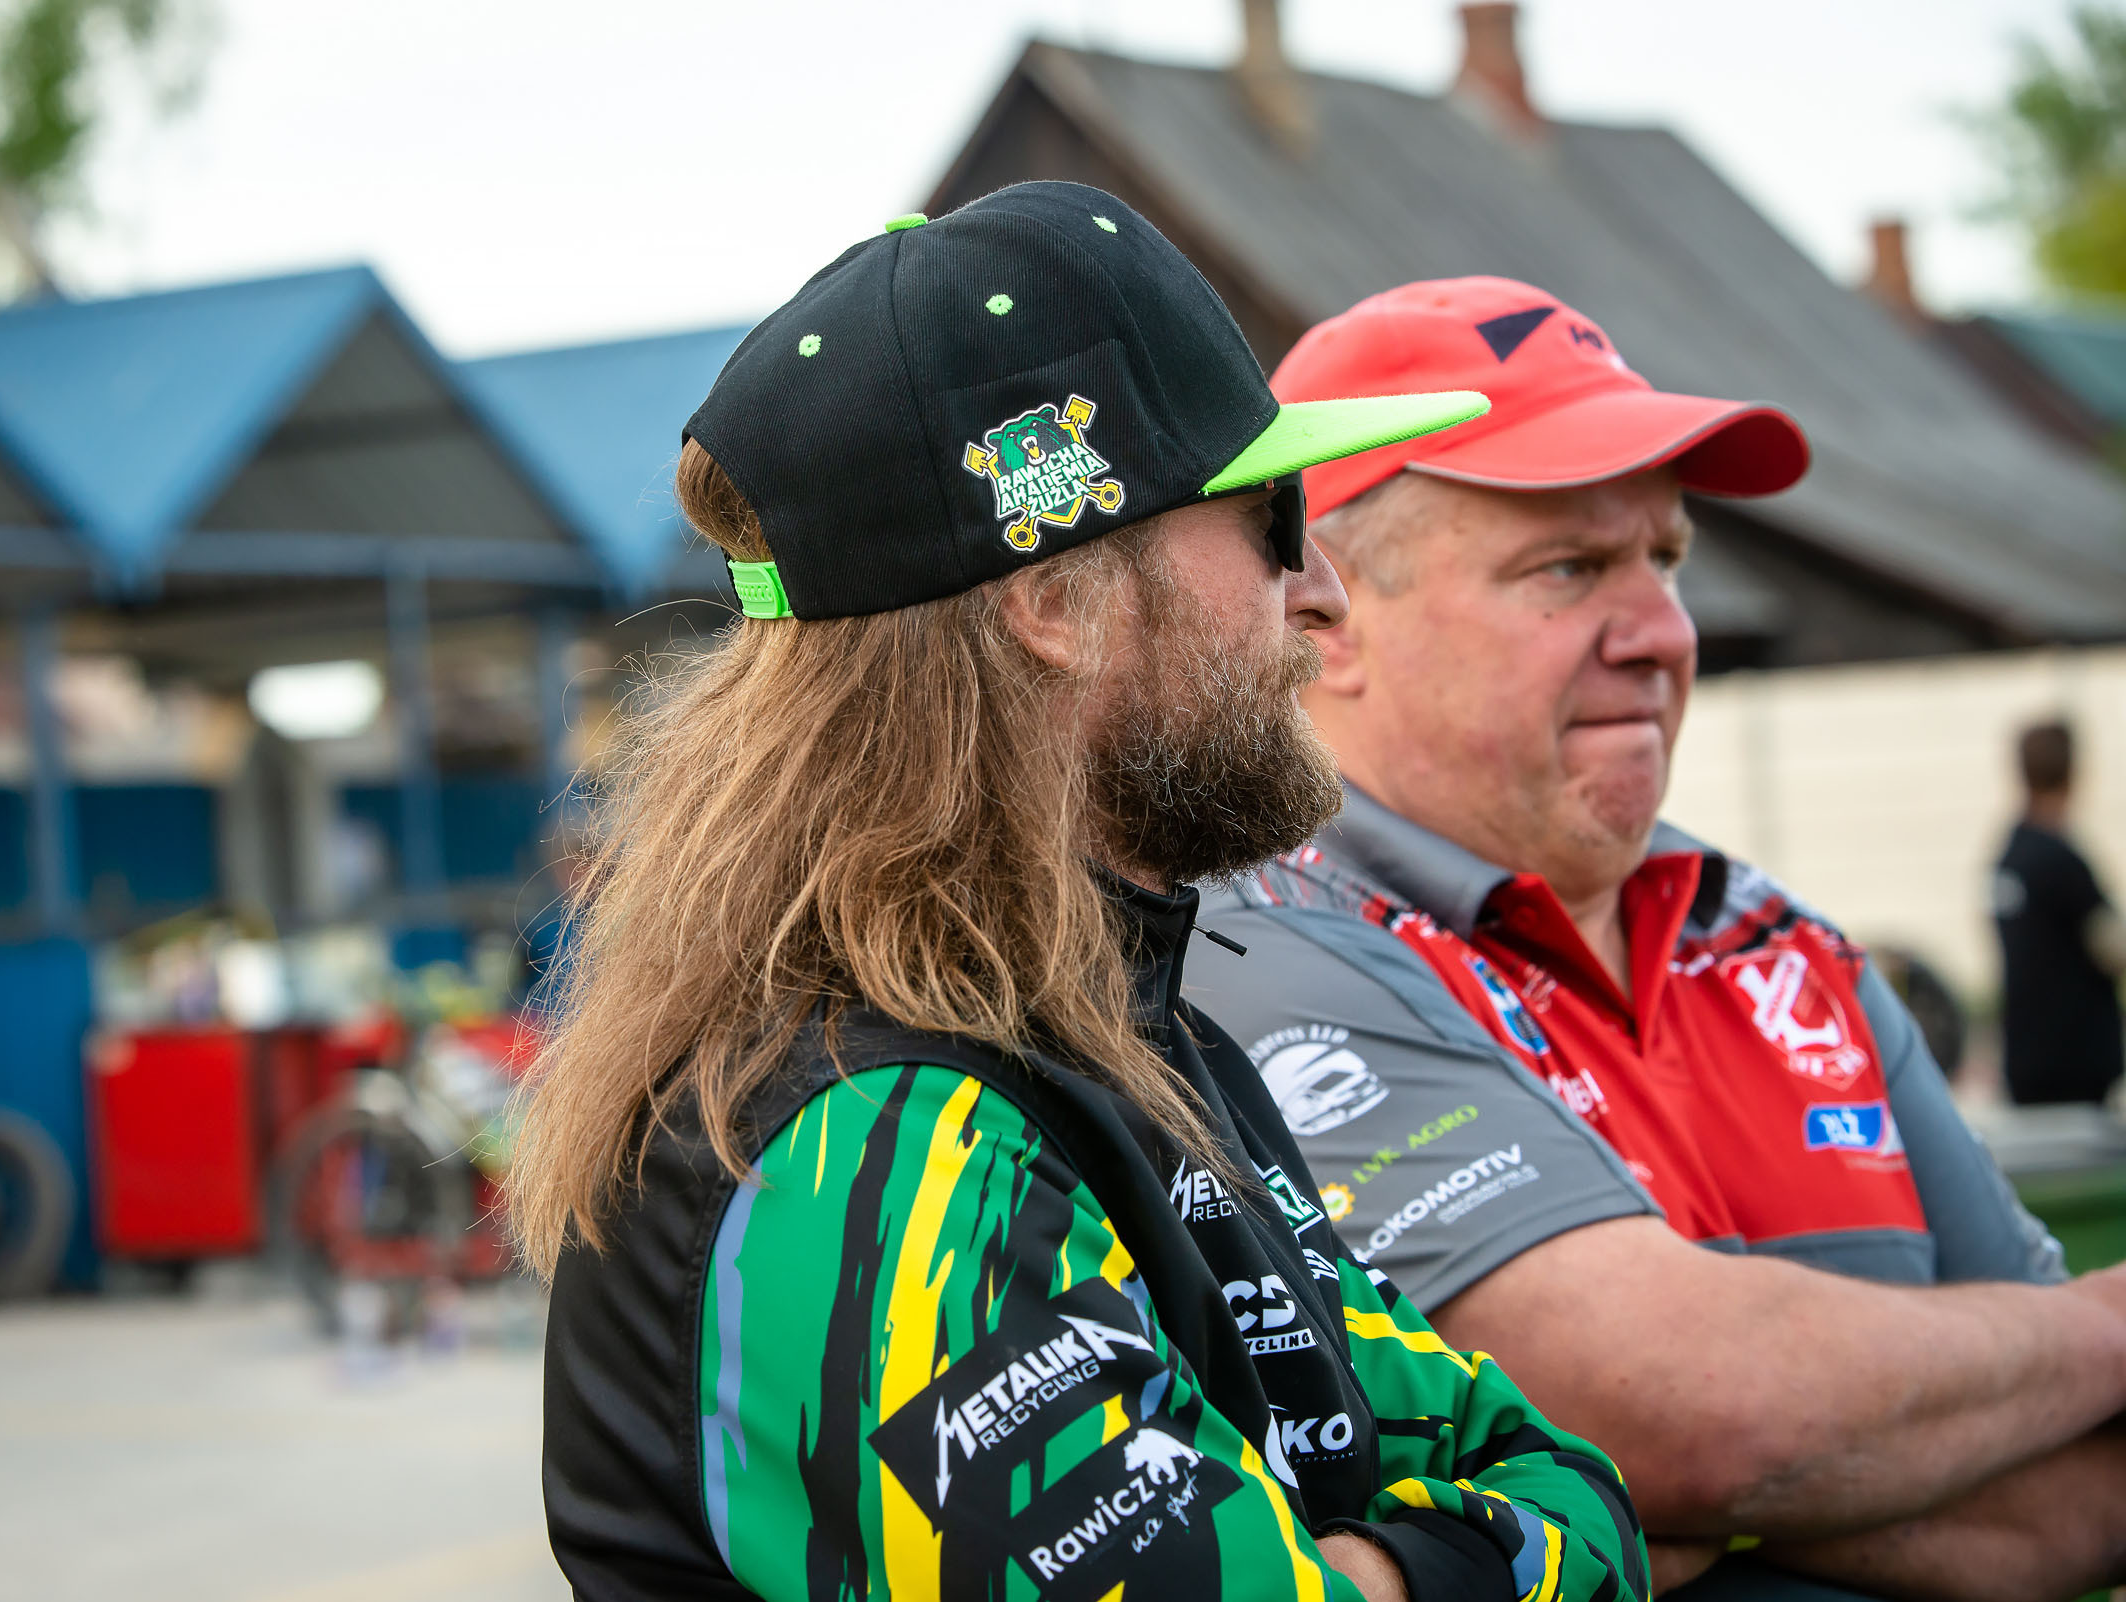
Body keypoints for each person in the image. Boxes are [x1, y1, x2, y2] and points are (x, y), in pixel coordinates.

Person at [510, 190, 1649, 1602]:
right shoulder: (870, 1144)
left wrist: (1373, 1571)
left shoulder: (1145, 1050)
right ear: (1055, 599)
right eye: (1271, 516)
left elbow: (1579, 1485)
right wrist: (1443, 1558)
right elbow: (1533, 1526)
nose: (1324, 593)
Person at [1184, 277, 2126, 1599]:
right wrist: (2100, 1326)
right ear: (1323, 618)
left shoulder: (1773, 939)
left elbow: (2094, 1480)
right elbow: (1684, 1408)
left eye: (1667, 559)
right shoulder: (1245, 945)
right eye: (1568, 567)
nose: (1665, 633)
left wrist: (1689, 1495)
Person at [1995, 719, 2126, 1107]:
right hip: (2074, 1061)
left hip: (2025, 1056)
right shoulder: (2061, 861)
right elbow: (2113, 949)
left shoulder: (2008, 856)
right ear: (2073, 774)